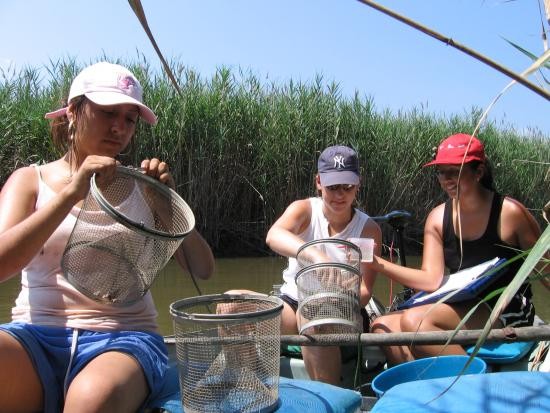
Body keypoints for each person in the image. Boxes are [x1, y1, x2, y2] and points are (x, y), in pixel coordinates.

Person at [0, 62, 214, 412]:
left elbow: (202, 268)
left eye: (129, 119)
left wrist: (168, 204)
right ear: (72, 111)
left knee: (91, 398)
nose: (119, 128)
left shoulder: (143, 187)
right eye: (107, 113)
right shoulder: (29, 180)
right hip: (34, 334)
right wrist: (71, 193)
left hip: (123, 339)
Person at [369, 133, 541, 365]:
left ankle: (475, 383)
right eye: (441, 171)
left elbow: (545, 267)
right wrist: (376, 263)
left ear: (478, 172)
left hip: (506, 307)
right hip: (461, 302)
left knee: (417, 323)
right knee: (383, 326)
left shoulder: (509, 213)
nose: (446, 179)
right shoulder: (438, 218)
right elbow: (431, 280)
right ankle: (420, 391)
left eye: (455, 171)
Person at [227, 145, 381, 385]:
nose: (340, 195)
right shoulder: (305, 210)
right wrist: (318, 257)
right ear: (318, 182)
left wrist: (338, 295)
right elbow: (274, 235)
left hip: (341, 312)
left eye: (347, 187)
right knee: (231, 304)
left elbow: (364, 293)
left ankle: (330, 400)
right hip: (292, 304)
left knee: (314, 313)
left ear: (358, 183)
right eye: (332, 187)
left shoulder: (368, 229)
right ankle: (251, 388)